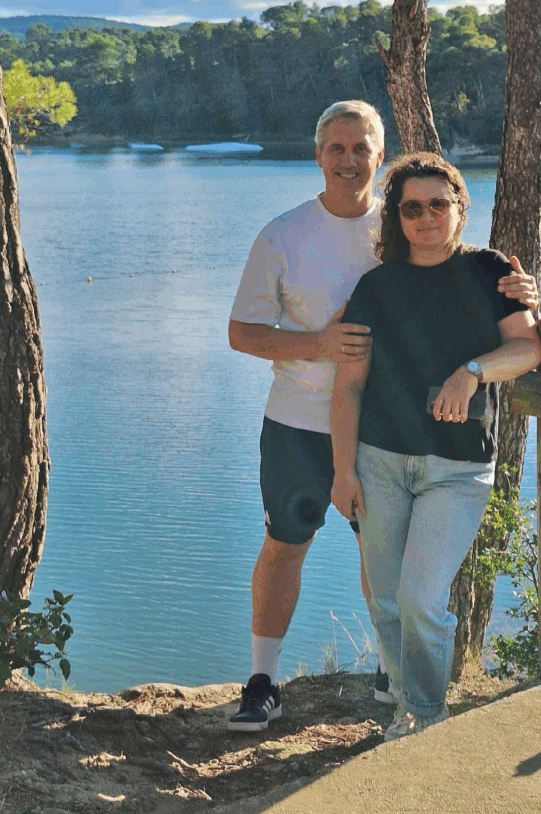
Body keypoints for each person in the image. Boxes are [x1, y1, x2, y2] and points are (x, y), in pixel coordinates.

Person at [228, 104, 538, 733]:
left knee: (392, 572)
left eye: (361, 148)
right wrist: (317, 345)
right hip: (304, 422)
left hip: (400, 437)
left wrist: (523, 295)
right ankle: (264, 680)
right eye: (336, 148)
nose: (348, 160)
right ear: (319, 155)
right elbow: (242, 332)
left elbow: (493, 312)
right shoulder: (284, 235)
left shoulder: (418, 227)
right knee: (287, 544)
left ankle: (399, 683)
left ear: (380, 154)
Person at [330, 152, 541, 743]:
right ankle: (407, 709)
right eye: (412, 208)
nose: (425, 217)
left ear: (459, 209)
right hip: (378, 462)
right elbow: (348, 387)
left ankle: (425, 717)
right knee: (387, 602)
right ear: (396, 217)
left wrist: (472, 371)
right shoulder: (376, 287)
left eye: (438, 205)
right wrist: (343, 472)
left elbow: (528, 348)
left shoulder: (490, 272)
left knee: (421, 599)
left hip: (458, 467)